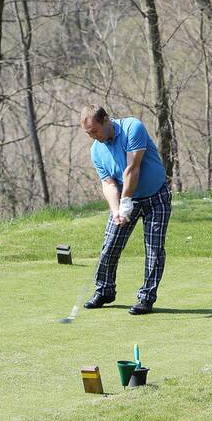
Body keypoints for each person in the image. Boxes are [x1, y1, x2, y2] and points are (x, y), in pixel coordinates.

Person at [79, 104, 171, 315]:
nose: (92, 136)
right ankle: (105, 290)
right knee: (110, 245)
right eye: (88, 133)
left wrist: (126, 201)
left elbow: (133, 168)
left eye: (94, 130)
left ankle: (146, 298)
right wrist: (116, 210)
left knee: (154, 249)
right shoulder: (96, 150)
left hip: (156, 197)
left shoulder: (132, 128)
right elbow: (108, 183)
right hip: (124, 199)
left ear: (106, 120)